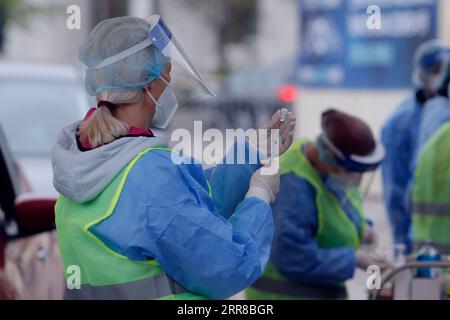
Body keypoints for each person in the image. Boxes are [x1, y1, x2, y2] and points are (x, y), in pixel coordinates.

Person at [52, 16, 296, 300]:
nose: (170, 87)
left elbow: (187, 214)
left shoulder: (84, 155)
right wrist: (259, 196)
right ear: (149, 86)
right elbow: (228, 265)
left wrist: (251, 154)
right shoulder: (150, 173)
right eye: (167, 77)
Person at [245, 109, 386, 300]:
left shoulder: (325, 167)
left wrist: (362, 229)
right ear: (328, 156)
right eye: (353, 172)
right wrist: (353, 259)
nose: (357, 181)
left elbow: (336, 210)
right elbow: (291, 257)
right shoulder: (291, 185)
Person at [381, 40, 450, 254]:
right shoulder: (401, 123)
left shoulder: (440, 110)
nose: (441, 77)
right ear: (421, 74)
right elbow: (396, 192)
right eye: (435, 71)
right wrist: (403, 249)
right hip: (418, 232)